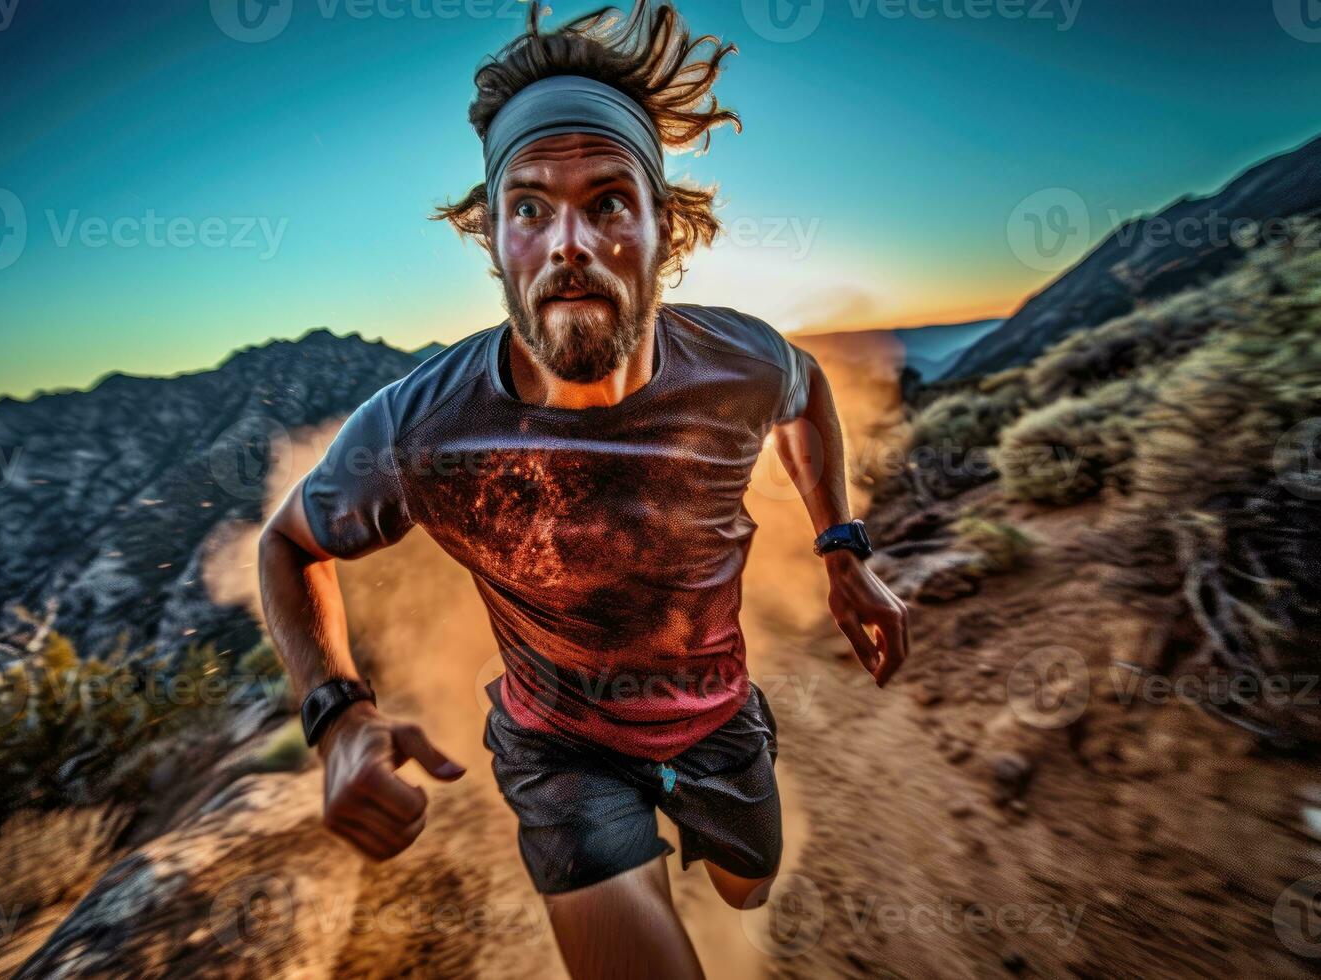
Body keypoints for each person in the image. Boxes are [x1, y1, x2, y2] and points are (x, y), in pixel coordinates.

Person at [258, 2, 909, 975]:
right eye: (528, 206)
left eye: (609, 201)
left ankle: (718, 865)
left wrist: (841, 547)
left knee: (748, 880)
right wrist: (335, 714)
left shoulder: (737, 362)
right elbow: (288, 544)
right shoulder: (421, 426)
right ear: (493, 240)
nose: (569, 241)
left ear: (664, 230)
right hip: (556, 748)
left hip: (718, 715)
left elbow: (807, 393)